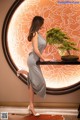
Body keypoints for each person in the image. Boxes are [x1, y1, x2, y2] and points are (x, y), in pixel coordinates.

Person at [17, 16, 50, 116]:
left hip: (36, 61)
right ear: (39, 23)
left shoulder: (38, 33)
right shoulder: (35, 34)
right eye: (42, 23)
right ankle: (24, 72)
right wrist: (44, 58)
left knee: (32, 82)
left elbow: (40, 47)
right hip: (32, 61)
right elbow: (35, 49)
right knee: (41, 82)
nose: (43, 25)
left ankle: (31, 106)